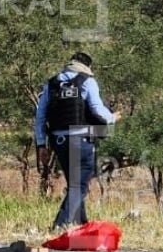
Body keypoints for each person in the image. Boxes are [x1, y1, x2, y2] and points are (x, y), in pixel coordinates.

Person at [34, 51, 118, 230]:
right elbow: (97, 110)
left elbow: (40, 116)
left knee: (75, 184)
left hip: (59, 141)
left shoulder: (51, 84)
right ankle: (60, 224)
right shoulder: (87, 81)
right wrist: (113, 117)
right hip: (81, 139)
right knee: (80, 185)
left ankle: (81, 223)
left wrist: (41, 144)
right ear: (88, 66)